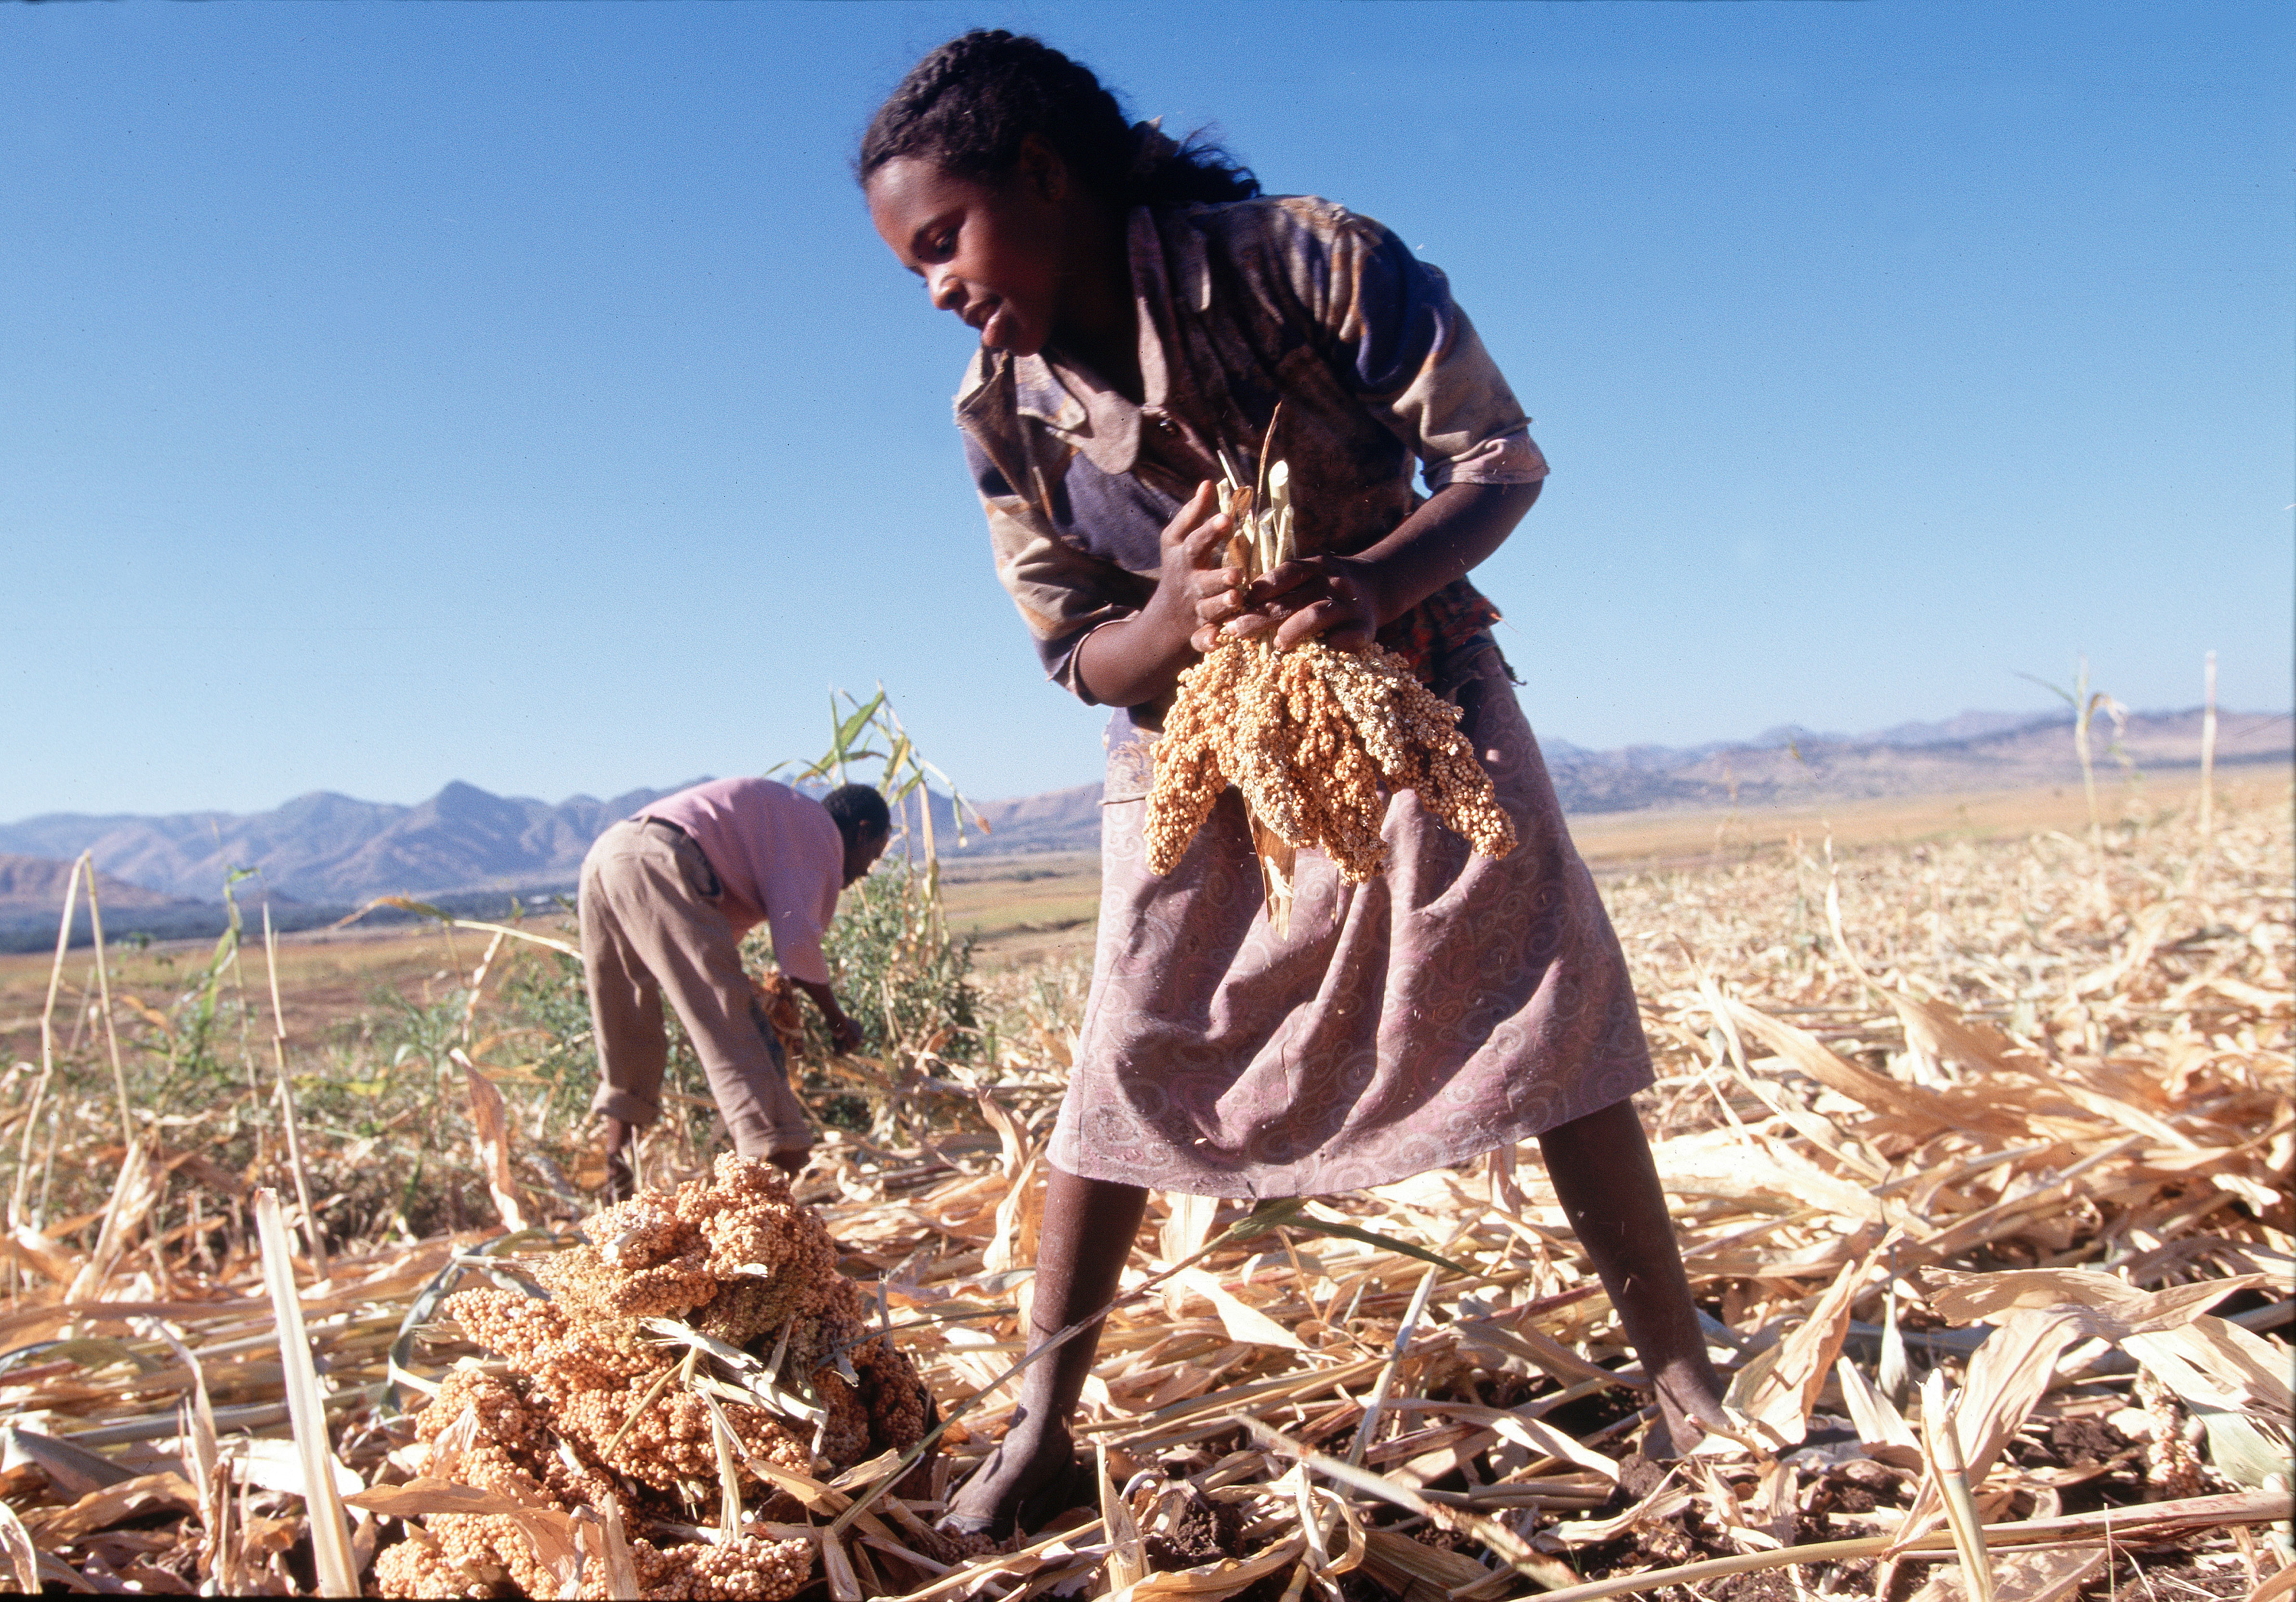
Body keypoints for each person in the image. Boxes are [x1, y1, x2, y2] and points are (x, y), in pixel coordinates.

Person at [860, 31, 1729, 1535]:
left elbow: (1496, 458)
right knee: (1131, 1044)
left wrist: (1368, 583)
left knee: (1546, 985)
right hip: (1196, 743)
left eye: (944, 239)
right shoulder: (998, 413)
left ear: (1044, 179)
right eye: (911, 266)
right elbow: (1075, 654)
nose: (935, 283)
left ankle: (1681, 1392)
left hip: (1412, 692)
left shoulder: (1302, 261)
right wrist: (1174, 619)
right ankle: (1043, 1422)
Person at [578, 775, 890, 1198]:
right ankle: (772, 1191)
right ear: (862, 831)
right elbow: (797, 945)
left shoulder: (782, 819)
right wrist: (838, 1021)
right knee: (733, 1025)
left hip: (608, 855)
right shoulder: (819, 833)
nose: (864, 871)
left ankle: (616, 1174)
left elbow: (708, 941)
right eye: (871, 857)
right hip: (663, 857)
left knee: (625, 1018)